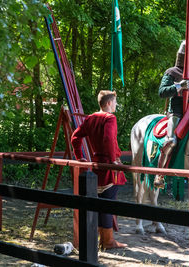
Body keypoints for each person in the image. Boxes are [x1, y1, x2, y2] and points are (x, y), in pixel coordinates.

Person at [71, 90, 127, 249]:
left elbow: (75, 137)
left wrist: (78, 156)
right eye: (115, 102)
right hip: (108, 166)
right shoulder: (110, 118)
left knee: (101, 202)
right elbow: (108, 139)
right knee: (108, 204)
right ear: (109, 103)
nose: (116, 105)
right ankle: (107, 241)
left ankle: (103, 240)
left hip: (96, 166)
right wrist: (111, 162)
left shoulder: (90, 118)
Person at [157, 40, 189, 171]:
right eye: (188, 55)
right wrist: (179, 85)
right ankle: (160, 174)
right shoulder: (172, 72)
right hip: (177, 113)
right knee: (171, 141)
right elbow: (162, 92)